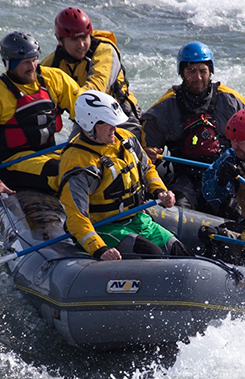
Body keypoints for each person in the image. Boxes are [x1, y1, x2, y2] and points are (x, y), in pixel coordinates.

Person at [58, 90, 189, 260]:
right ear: (90, 124)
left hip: (137, 219)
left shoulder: (125, 139)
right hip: (103, 227)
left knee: (178, 250)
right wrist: (99, 249)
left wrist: (160, 191)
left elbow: (147, 169)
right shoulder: (78, 162)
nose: (115, 127)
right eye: (108, 123)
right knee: (152, 254)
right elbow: (76, 216)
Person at [139, 41, 245, 211]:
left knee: (236, 211)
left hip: (225, 173)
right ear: (181, 72)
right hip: (185, 176)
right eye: (191, 71)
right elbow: (145, 148)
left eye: (203, 71)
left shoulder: (230, 100)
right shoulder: (166, 106)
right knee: (178, 208)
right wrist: (148, 153)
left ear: (210, 71)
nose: (198, 78)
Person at [0, 31, 81, 201]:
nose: (33, 67)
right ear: (10, 64)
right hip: (14, 163)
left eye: (34, 59)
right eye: (26, 62)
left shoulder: (54, 78)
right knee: (67, 173)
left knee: (88, 167)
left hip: (51, 153)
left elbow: (85, 110)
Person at [41, 7, 142, 139]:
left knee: (133, 154)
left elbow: (97, 87)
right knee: (70, 155)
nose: (81, 44)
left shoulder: (105, 51)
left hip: (122, 116)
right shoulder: (52, 64)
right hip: (86, 121)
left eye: (84, 37)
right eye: (73, 40)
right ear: (60, 40)